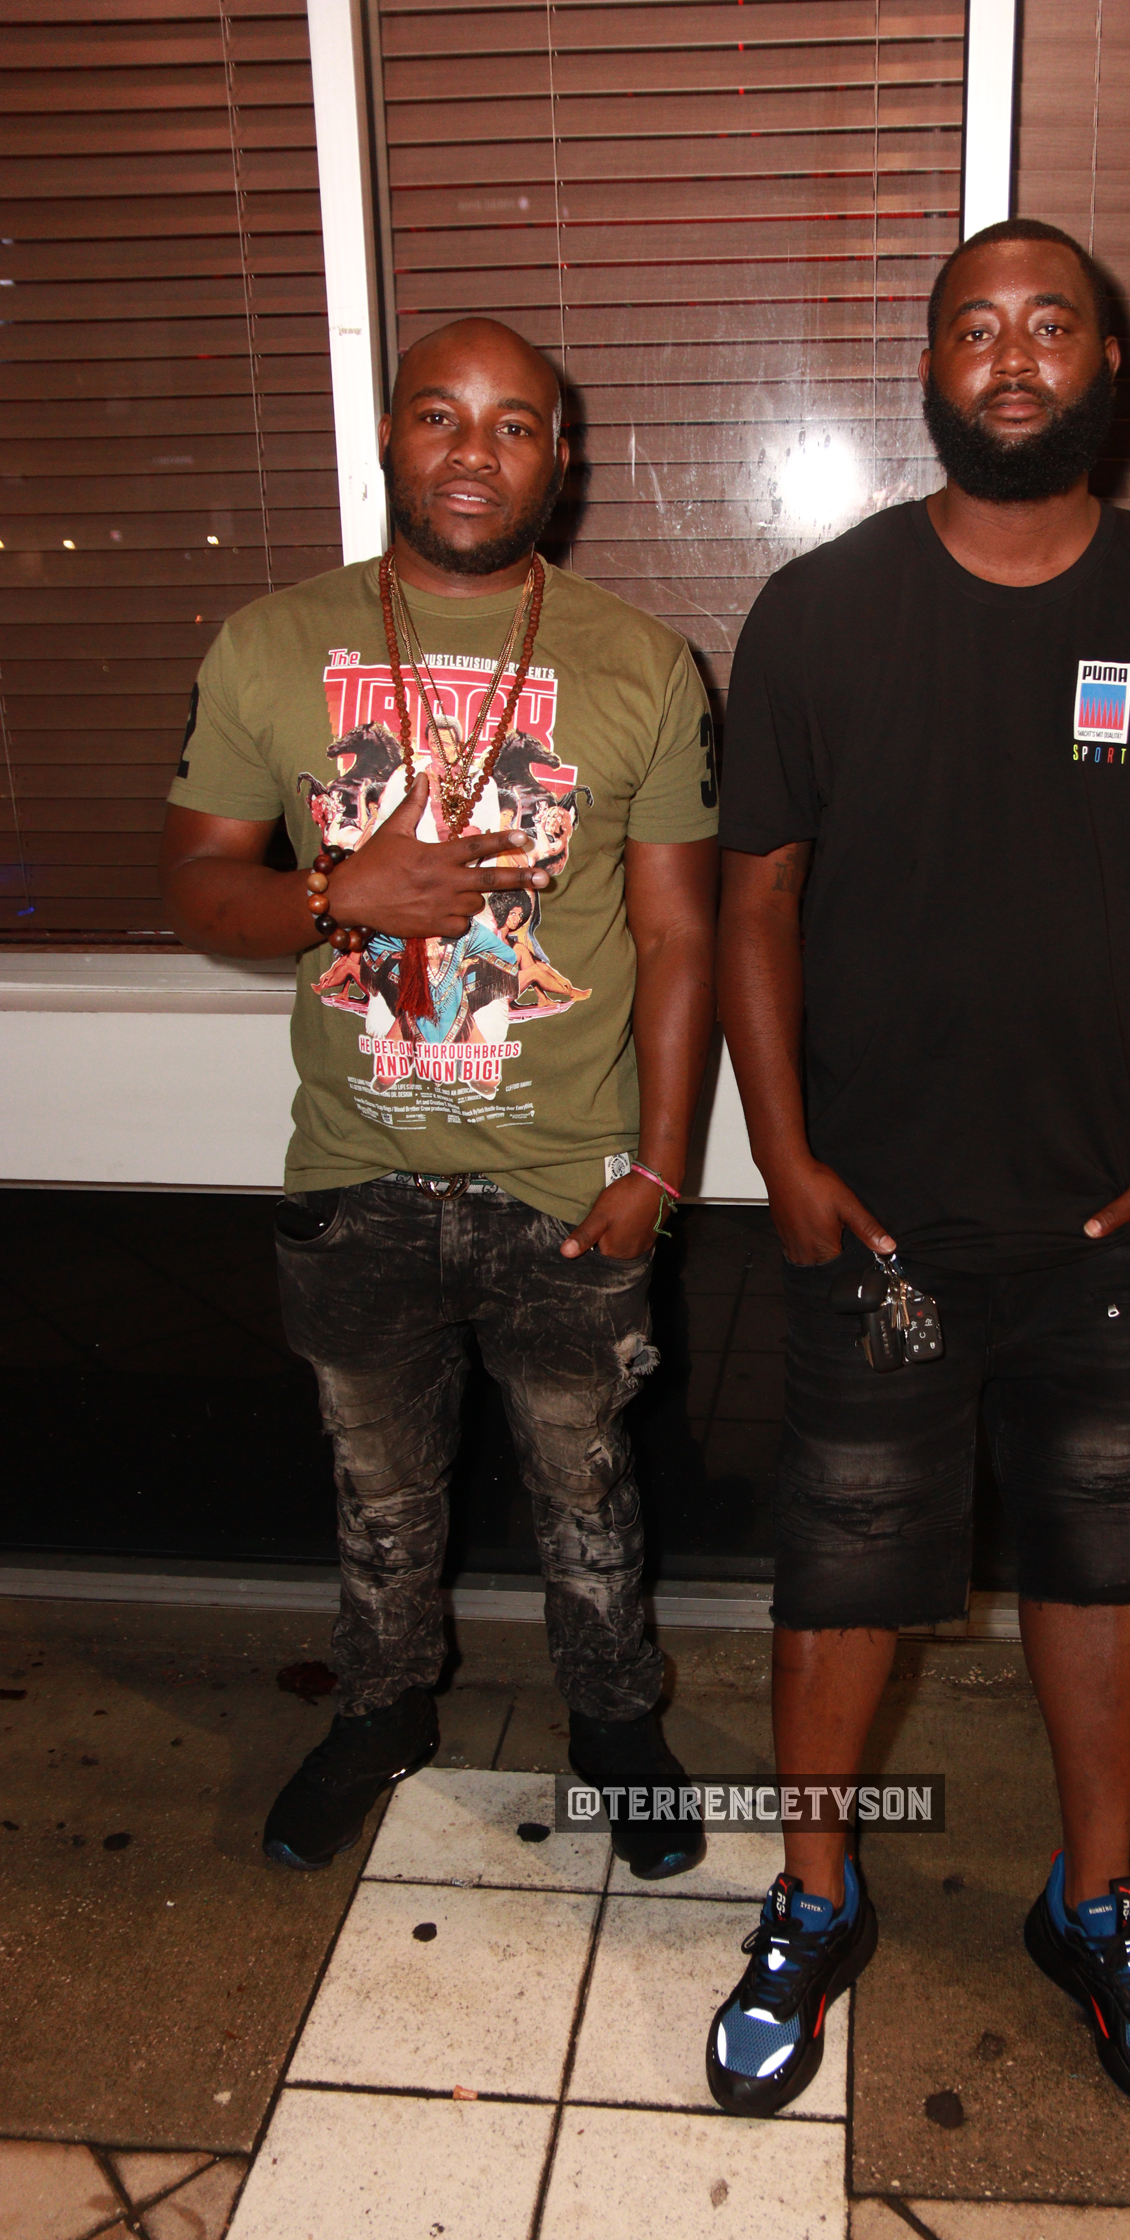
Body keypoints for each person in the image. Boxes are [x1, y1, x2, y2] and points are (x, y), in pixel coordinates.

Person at [706, 220, 1130, 2123]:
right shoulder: (818, 614)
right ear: (930, 370)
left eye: (1054, 325)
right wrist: (784, 1156)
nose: (1016, 355)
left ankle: (1093, 1904)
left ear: (1110, 365)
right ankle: (813, 1898)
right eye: (978, 327)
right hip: (874, 1223)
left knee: (1101, 1578)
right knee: (839, 1584)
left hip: (1102, 1228)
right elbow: (755, 904)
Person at [159, 316, 720, 1881]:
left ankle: (616, 1723)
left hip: (570, 1174)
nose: (474, 451)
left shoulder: (642, 662)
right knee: (378, 1486)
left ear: (562, 458)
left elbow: (682, 935)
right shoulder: (269, 643)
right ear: (392, 435)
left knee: (589, 1479)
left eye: (514, 424)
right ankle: (383, 1709)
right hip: (356, 1169)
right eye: (440, 415)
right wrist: (335, 892)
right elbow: (197, 886)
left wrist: (662, 1167)